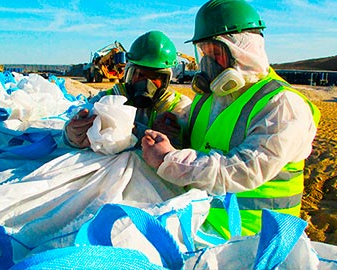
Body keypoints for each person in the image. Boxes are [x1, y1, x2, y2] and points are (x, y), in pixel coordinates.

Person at [141, 0, 320, 239]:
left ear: (244, 50)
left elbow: (245, 169)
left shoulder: (282, 105)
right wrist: (173, 133)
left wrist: (169, 159)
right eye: (203, 52)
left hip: (252, 239)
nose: (207, 62)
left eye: (216, 52)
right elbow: (199, 141)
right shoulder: (209, 97)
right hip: (197, 219)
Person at [63, 30, 191, 149]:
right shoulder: (107, 99)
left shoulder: (179, 108)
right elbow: (75, 124)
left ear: (166, 81)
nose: (146, 83)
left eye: (155, 77)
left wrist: (174, 136)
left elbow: (188, 151)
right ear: (128, 74)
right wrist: (71, 135)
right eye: (140, 74)